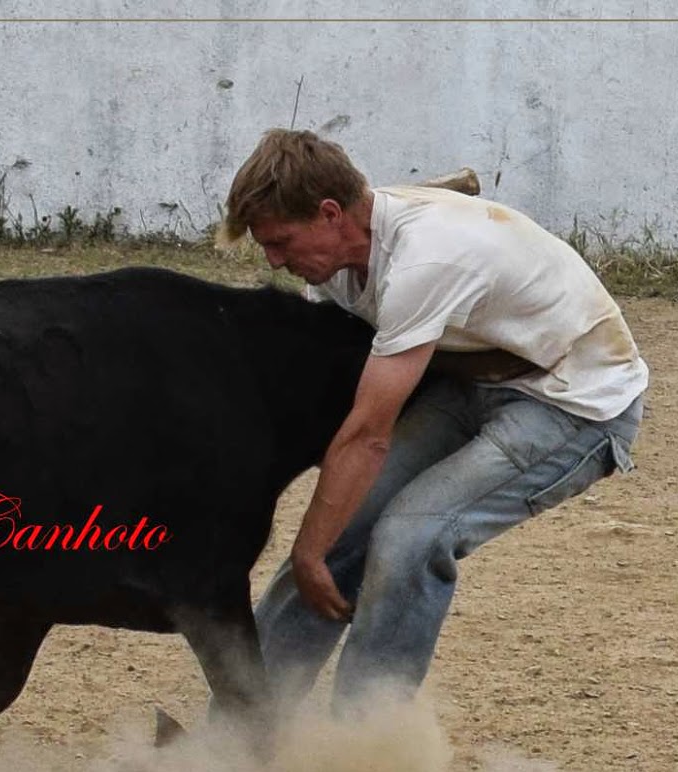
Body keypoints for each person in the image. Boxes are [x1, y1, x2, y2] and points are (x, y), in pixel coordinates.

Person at [217, 129, 647, 715]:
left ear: (330, 213)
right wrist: (318, 543)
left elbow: (368, 436)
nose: (273, 261)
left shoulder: (427, 259)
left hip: (574, 402)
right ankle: (237, 731)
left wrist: (310, 552)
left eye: (281, 242)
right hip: (473, 379)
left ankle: (364, 748)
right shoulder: (343, 256)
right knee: (338, 531)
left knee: (410, 539)